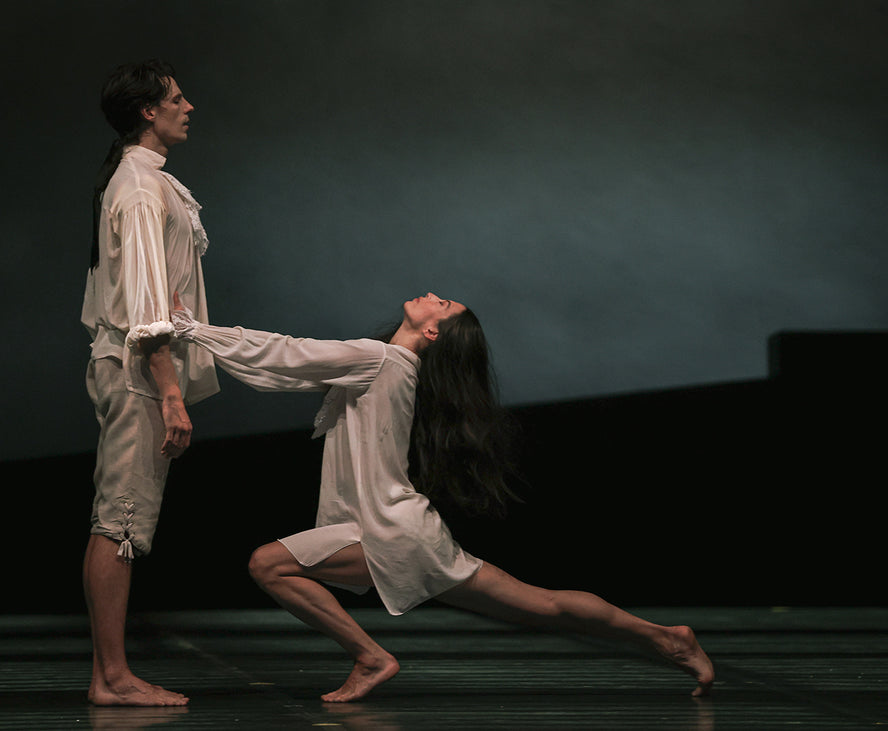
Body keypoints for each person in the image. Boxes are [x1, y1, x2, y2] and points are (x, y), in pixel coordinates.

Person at [169, 292, 715, 702]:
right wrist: (198, 335)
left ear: (432, 331)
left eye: (443, 303)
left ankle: (370, 657)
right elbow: (289, 369)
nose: (431, 294)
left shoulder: (379, 360)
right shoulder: (387, 364)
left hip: (385, 531)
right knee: (541, 604)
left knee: (268, 565)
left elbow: (284, 354)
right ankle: (667, 638)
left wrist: (193, 331)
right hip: (401, 530)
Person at [80, 60, 218, 706]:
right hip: (139, 374)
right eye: (177, 98)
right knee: (121, 521)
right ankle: (112, 676)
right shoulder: (138, 186)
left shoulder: (148, 182)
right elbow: (146, 304)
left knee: (127, 518)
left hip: (141, 371)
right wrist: (168, 390)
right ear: (148, 112)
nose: (188, 107)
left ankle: (110, 674)